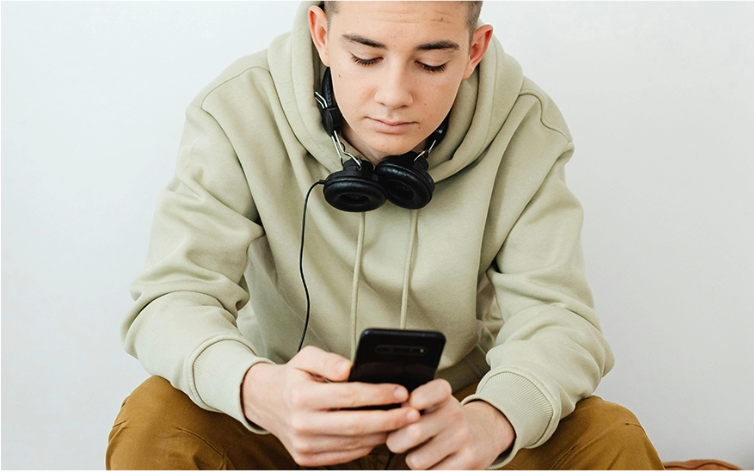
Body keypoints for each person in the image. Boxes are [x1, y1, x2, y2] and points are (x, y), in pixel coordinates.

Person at [107, 1, 664, 469]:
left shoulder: (527, 125)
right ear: (320, 34)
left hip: (453, 423)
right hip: (285, 420)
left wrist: (488, 423)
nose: (393, 94)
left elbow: (560, 320)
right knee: (157, 416)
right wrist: (259, 391)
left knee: (608, 433)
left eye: (431, 62)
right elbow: (171, 299)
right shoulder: (235, 108)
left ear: (475, 50)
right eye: (366, 57)